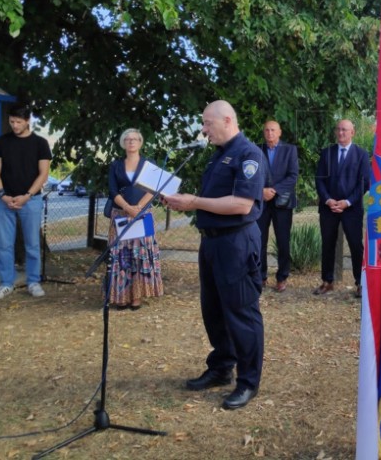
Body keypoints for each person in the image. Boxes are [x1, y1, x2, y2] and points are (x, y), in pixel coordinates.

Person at [163, 100, 265, 410]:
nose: (204, 130)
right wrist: (187, 201)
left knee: (241, 312)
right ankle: (221, 368)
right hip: (212, 244)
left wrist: (193, 201)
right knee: (214, 310)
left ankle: (248, 381)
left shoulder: (249, 154)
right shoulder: (218, 156)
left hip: (236, 244)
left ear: (228, 119)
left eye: (208, 123)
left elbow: (242, 205)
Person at [0, 103, 52, 300]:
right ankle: (7, 283)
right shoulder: (1, 142)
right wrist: (3, 195)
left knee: (32, 244)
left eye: (18, 122)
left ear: (27, 121)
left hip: (30, 201)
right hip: (4, 201)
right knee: (4, 245)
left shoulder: (40, 143)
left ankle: (33, 282)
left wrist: (27, 195)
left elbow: (43, 174)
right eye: (11, 121)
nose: (14, 125)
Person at [106, 128, 164, 310]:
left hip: (143, 214)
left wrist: (138, 208)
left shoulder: (149, 164)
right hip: (121, 214)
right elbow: (112, 191)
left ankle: (137, 296)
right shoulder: (115, 165)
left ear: (140, 142)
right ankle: (121, 296)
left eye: (134, 139)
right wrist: (127, 208)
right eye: (127, 139)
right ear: (123, 143)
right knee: (121, 255)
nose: (131, 142)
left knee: (140, 255)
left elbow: (154, 188)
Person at [314, 119, 370, 297]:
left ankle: (360, 283)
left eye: (344, 130)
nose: (341, 133)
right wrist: (328, 200)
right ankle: (327, 281)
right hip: (328, 208)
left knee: (355, 246)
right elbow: (319, 180)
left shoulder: (361, 154)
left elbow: (364, 183)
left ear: (352, 132)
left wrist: (347, 202)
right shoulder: (326, 153)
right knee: (328, 244)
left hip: (351, 209)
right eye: (338, 129)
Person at [258, 120, 299, 292]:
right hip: (261, 202)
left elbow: (293, 175)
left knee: (283, 241)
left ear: (280, 132)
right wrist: (261, 191)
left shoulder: (289, 150)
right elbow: (250, 174)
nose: (269, 133)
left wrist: (273, 190)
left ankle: (282, 277)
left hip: (282, 203)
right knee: (259, 241)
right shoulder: (256, 150)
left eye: (273, 130)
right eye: (266, 130)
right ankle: (260, 277)